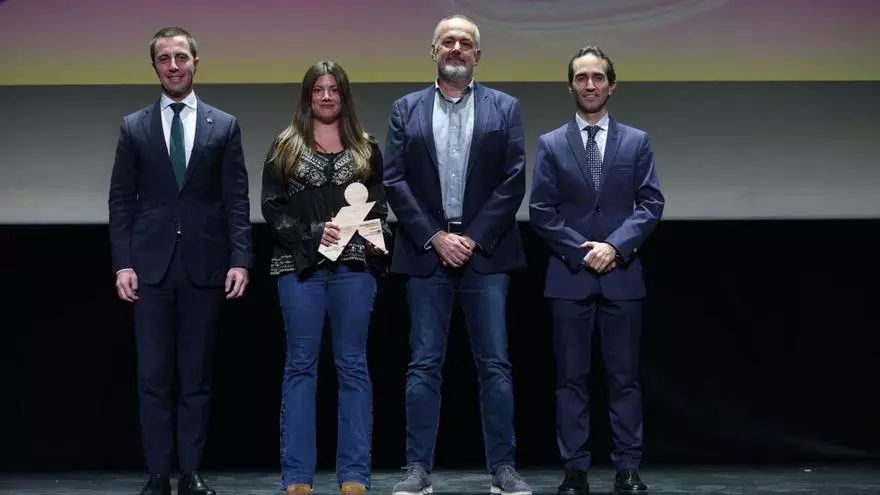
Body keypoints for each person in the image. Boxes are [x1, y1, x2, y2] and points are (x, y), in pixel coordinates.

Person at [383, 14, 532, 495]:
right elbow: (394, 180)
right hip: (427, 253)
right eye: (447, 41)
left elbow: (513, 179)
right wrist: (435, 237)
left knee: (495, 365)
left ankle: (503, 468)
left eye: (465, 43)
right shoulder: (405, 109)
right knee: (424, 364)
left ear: (477, 55)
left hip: (486, 255)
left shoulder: (505, 108)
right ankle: (417, 469)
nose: (456, 48)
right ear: (433, 51)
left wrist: (472, 237)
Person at [108, 27, 252, 495]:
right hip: (149, 268)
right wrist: (122, 264)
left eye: (181, 57)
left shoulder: (223, 125)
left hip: (205, 265)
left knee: (196, 377)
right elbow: (121, 202)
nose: (174, 66)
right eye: (164, 58)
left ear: (196, 62)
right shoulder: (133, 127)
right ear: (154, 66)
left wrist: (241, 260)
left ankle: (190, 472)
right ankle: (157, 474)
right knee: (152, 377)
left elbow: (236, 200)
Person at [528, 45, 664, 495]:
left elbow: (650, 204)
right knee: (571, 379)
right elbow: (541, 210)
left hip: (622, 276)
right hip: (569, 277)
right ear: (570, 85)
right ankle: (575, 469)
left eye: (598, 77)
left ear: (612, 85)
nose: (590, 85)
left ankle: (627, 467)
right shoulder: (551, 143)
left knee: (625, 379)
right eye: (582, 77)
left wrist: (614, 247)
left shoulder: (637, 141)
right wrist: (583, 252)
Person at [260, 60, 391, 495]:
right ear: (307, 96)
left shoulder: (366, 148)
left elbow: (380, 208)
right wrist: (313, 233)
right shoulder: (285, 147)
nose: (327, 96)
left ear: (344, 95)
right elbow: (272, 208)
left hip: (354, 269)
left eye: (334, 89)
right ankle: (297, 477)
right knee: (300, 367)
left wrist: (379, 239)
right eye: (318, 89)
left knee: (353, 366)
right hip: (299, 269)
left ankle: (354, 475)